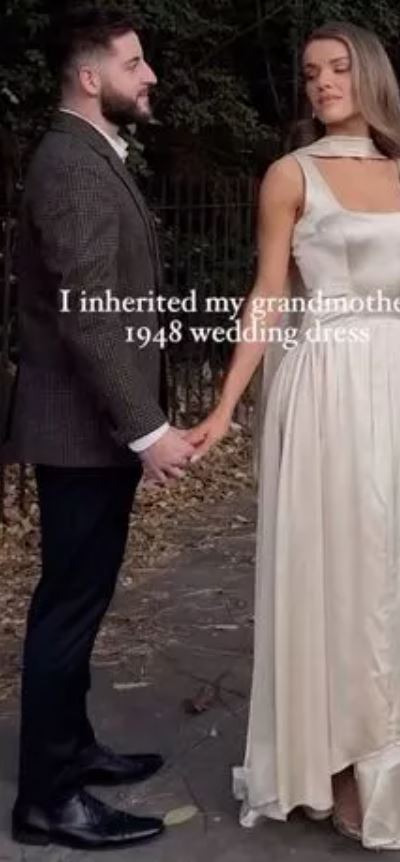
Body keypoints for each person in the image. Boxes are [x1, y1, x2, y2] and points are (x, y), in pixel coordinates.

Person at [186, 20, 400, 851]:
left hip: (390, 383)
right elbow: (269, 295)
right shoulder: (290, 174)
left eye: (339, 68)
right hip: (324, 382)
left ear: (370, 76)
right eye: (311, 73)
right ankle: (334, 763)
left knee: (391, 571)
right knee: (331, 567)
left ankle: (385, 757)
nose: (323, 83)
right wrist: (227, 405)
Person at [1, 6, 195, 850]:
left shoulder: (89, 152)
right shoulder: (73, 165)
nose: (149, 76)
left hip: (91, 433)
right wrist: (147, 430)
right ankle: (48, 801)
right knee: (68, 610)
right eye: (133, 63)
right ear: (90, 78)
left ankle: (72, 750)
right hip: (80, 434)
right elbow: (90, 316)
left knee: (80, 599)